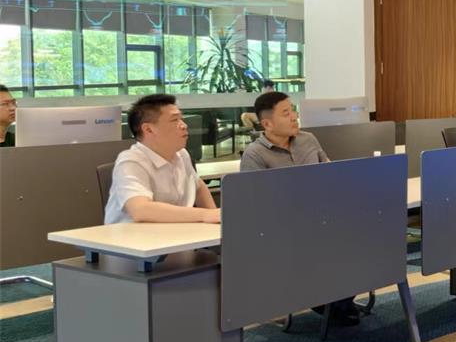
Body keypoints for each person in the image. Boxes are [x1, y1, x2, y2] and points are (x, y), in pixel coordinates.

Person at [240, 91, 358, 325]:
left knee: (361, 234)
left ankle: (338, 298)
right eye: (286, 113)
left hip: (320, 218)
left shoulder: (308, 139)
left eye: (293, 110)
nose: (294, 116)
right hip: (284, 228)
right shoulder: (255, 155)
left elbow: (330, 173)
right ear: (267, 124)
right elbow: (254, 204)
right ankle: (326, 300)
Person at [104, 94, 220, 224]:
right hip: (135, 235)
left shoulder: (181, 154)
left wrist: (217, 217)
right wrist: (205, 214)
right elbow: (141, 209)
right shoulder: (131, 161)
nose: (183, 125)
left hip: (175, 233)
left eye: (181, 119)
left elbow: (198, 187)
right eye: (174, 120)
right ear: (148, 129)